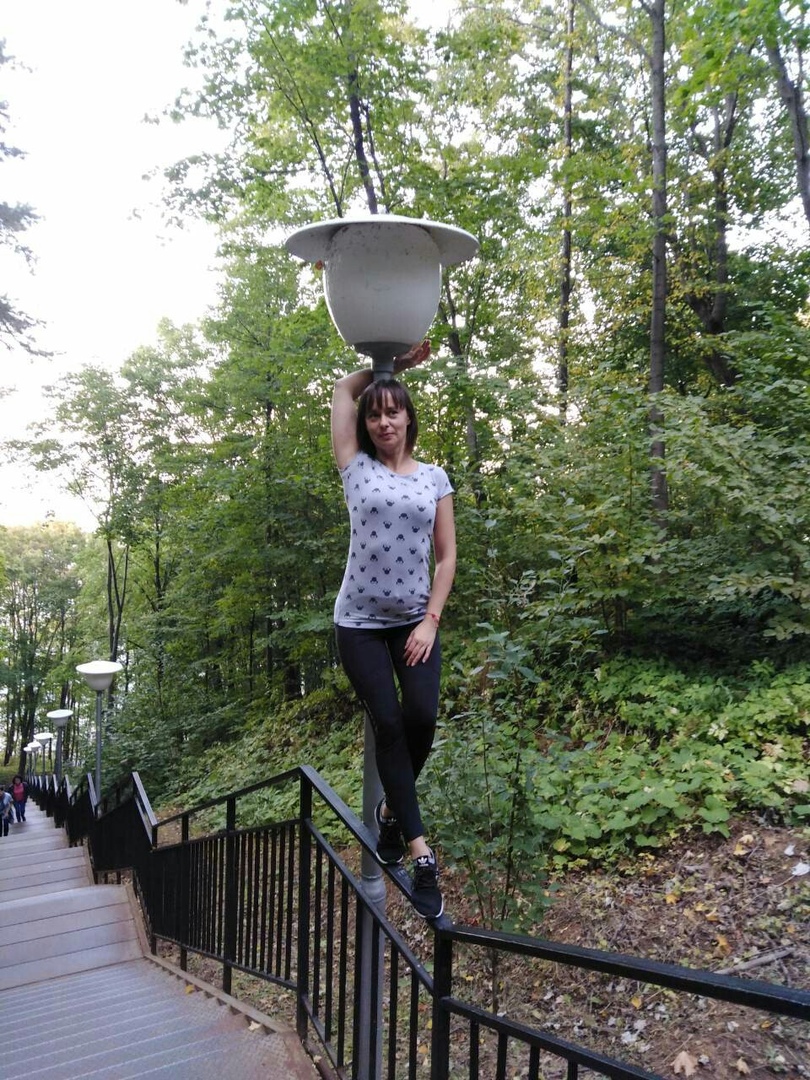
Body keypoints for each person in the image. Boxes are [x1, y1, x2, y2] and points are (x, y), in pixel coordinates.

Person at [331, 341, 456, 920]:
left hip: (414, 623)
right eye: (375, 414)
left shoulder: (434, 477)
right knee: (388, 725)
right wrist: (393, 367)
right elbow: (342, 389)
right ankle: (420, 851)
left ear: (408, 418)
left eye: (393, 411)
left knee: (421, 719)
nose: (383, 421)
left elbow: (446, 557)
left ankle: (387, 816)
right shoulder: (355, 466)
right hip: (358, 625)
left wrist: (430, 621)